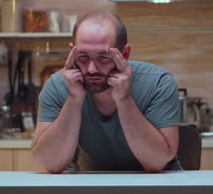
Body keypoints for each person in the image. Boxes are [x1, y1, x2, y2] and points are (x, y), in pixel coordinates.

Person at [31, 10, 182, 173]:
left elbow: (156, 162)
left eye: (103, 57)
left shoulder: (158, 82)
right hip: (93, 182)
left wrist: (124, 98)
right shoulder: (57, 85)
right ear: (72, 52)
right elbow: (50, 163)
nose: (91, 69)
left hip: (159, 183)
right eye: (82, 56)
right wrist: (74, 98)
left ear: (124, 54)